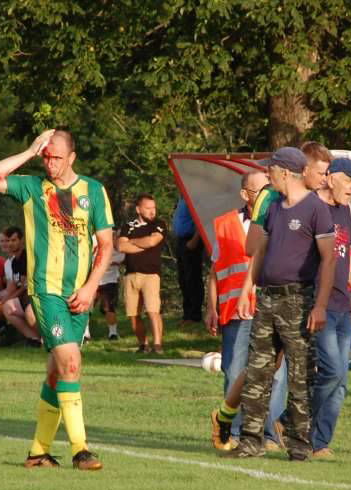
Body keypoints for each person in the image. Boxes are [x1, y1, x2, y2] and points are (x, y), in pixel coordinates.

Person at [0, 127, 114, 471]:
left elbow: (106, 245)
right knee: (70, 362)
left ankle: (38, 452)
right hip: (46, 291)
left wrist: (90, 288)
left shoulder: (93, 191)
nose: (50, 163)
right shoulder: (32, 187)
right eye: (46, 156)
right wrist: (29, 150)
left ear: (72, 157)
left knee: (58, 372)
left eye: (56, 157)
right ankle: (81, 450)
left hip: (79, 294)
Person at [226, 147, 336, 461]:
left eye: (270, 170)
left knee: (300, 375)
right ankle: (251, 440)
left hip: (298, 300)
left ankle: (299, 444)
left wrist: (320, 306)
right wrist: (248, 290)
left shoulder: (316, 208)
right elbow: (259, 251)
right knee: (258, 371)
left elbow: (328, 259)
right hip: (267, 299)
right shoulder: (274, 207)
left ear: (285, 172)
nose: (267, 175)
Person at [209, 171, 288, 452]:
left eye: (270, 188)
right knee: (235, 370)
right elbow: (215, 270)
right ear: (245, 194)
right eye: (260, 191)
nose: (268, 195)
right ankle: (235, 429)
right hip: (236, 312)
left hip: (272, 308)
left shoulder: (283, 219)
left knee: (276, 374)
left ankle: (268, 433)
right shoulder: (224, 224)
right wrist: (211, 307)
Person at [310, 158, 351, 458]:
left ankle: (319, 443)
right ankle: (290, 420)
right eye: (350, 180)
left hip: (343, 304)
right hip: (319, 304)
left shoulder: (344, 211)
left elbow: (345, 257)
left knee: (340, 384)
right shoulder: (310, 207)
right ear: (331, 177)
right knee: (333, 371)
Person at [118, 194, 167, 354]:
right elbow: (121, 246)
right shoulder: (128, 226)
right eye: (148, 208)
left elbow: (152, 241)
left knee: (153, 311)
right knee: (133, 314)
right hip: (131, 274)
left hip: (151, 274)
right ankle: (143, 344)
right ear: (138, 209)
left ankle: (158, 345)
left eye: (154, 208)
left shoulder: (158, 224)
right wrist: (142, 244)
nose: (152, 211)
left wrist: (132, 241)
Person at [173, 197, 204, 325]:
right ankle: (187, 314)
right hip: (181, 241)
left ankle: (195, 315)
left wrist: (195, 240)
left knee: (192, 278)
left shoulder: (192, 196)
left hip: (191, 240)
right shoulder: (181, 198)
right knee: (183, 279)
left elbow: (201, 218)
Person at [96, 239, 125, 340]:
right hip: (93, 278)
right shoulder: (94, 240)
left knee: (108, 307)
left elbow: (122, 257)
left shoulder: (117, 244)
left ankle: (113, 333)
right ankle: (85, 334)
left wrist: (110, 262)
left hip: (110, 280)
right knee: (87, 307)